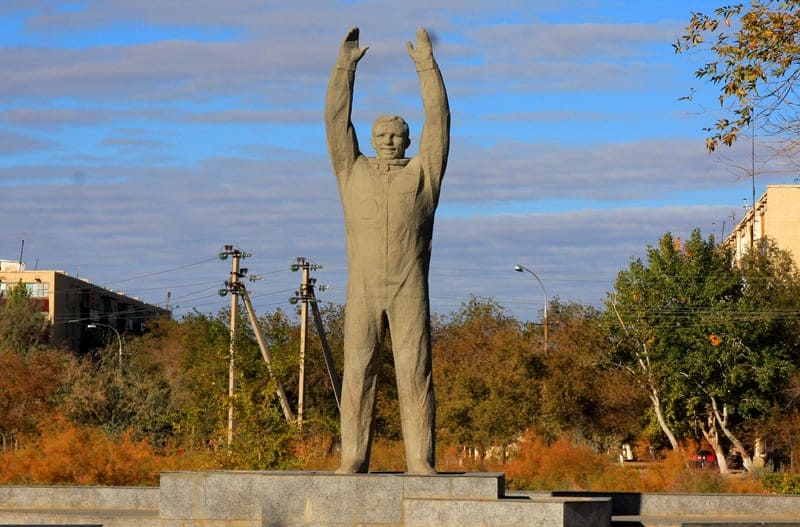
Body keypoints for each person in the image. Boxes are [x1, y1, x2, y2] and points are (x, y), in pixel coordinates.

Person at [325, 26, 450, 475]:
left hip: (408, 286)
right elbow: (336, 122)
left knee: (415, 371)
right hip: (362, 289)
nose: (387, 141)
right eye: (380, 135)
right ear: (370, 139)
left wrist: (425, 66)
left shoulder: (423, 175)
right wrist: (345, 68)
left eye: (396, 135)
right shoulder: (350, 171)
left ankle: (420, 459)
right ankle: (353, 456)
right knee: (357, 373)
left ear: (408, 140)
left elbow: (440, 122)